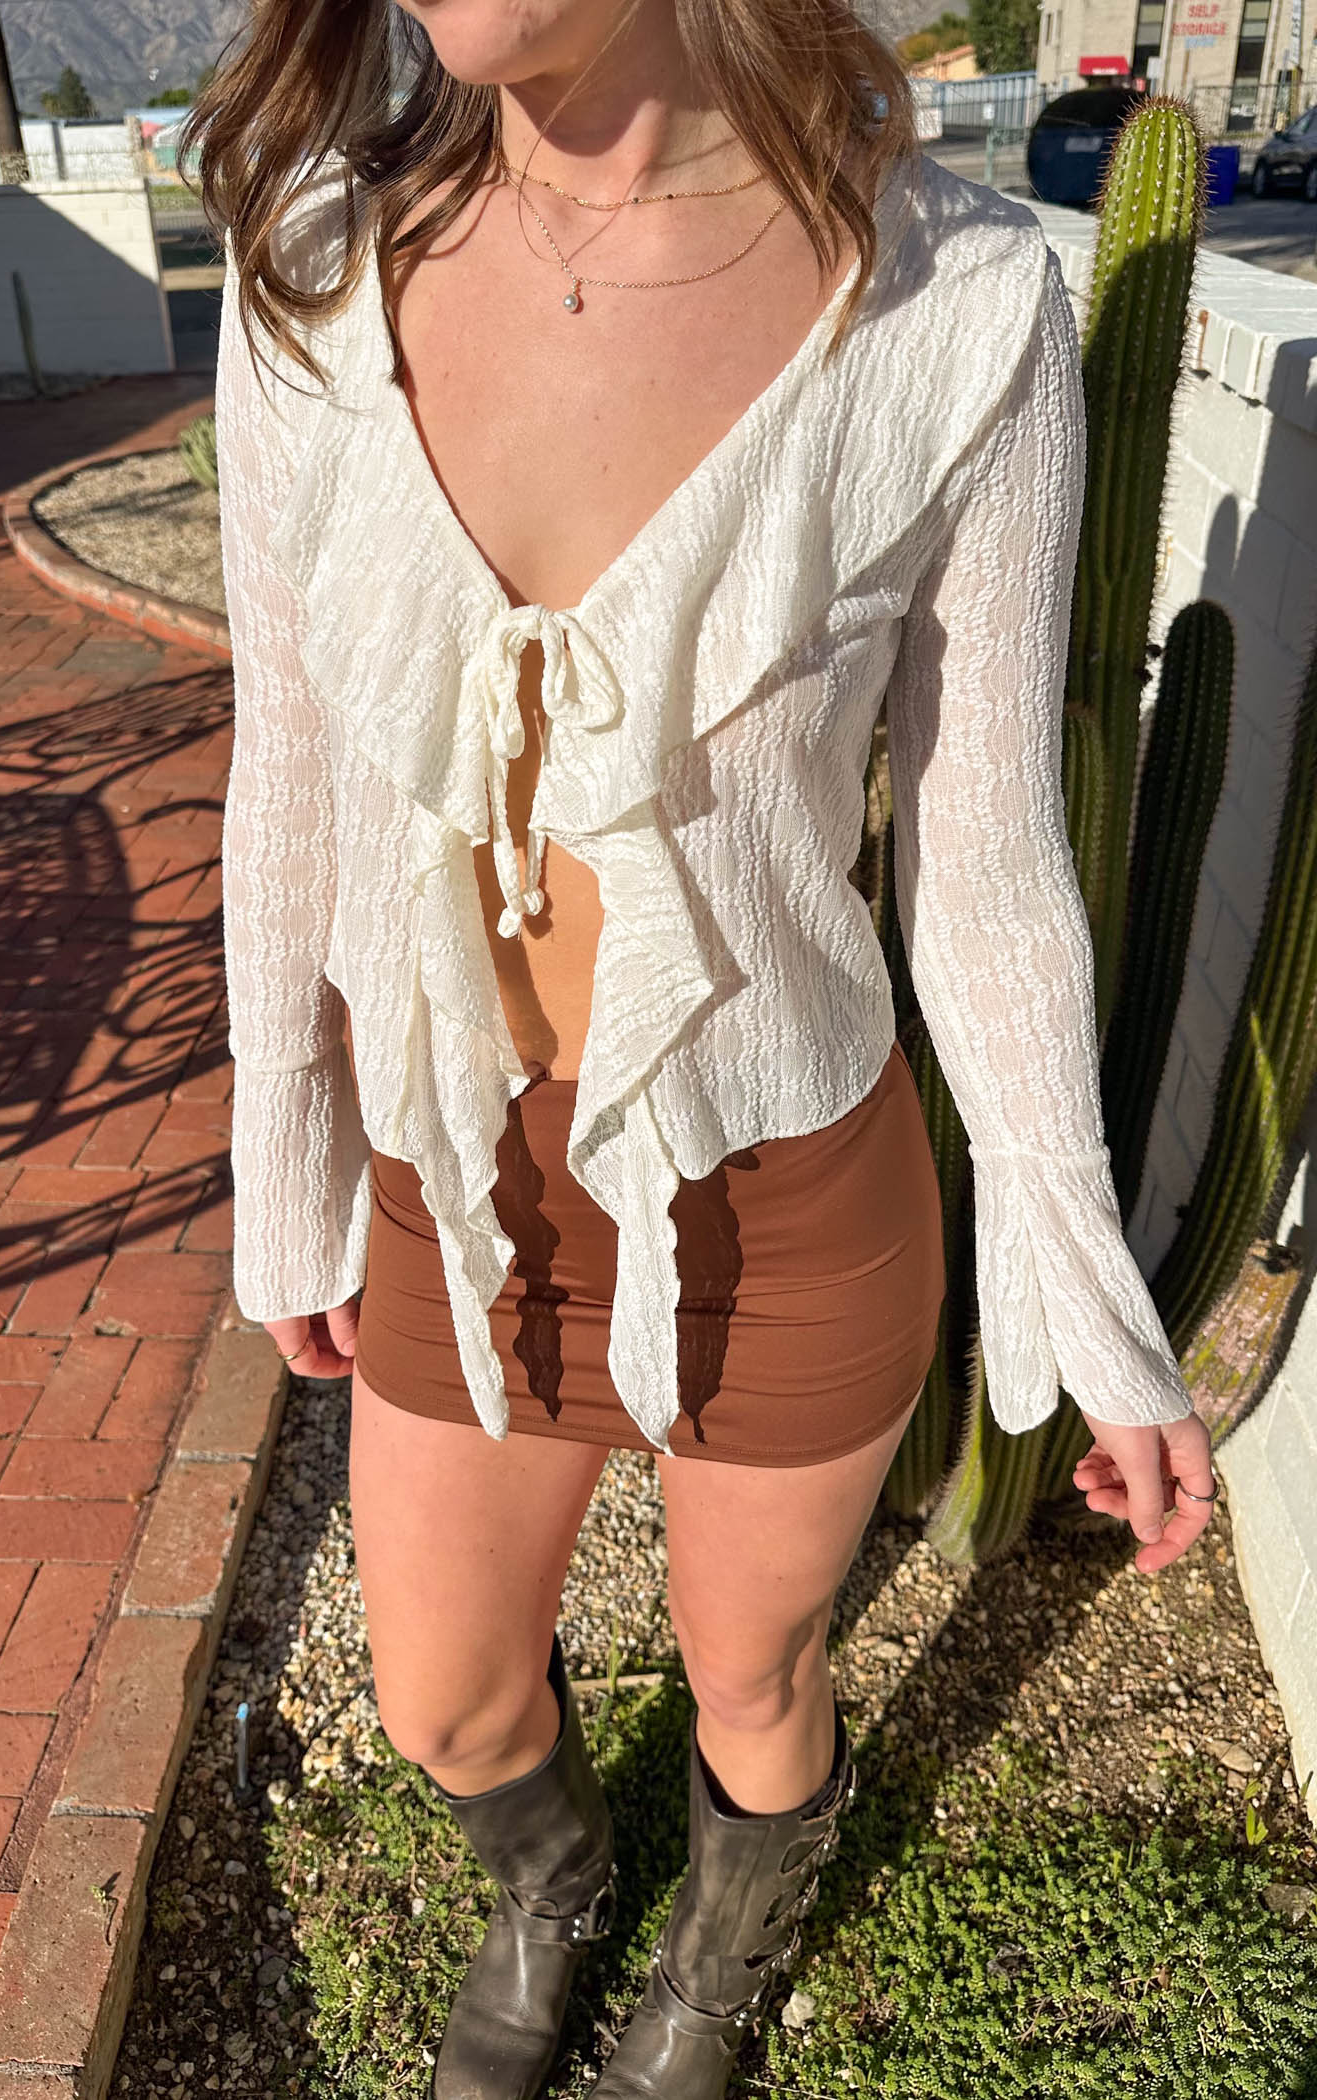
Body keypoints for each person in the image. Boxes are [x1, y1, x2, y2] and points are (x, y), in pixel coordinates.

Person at [188, 2, 1220, 2093]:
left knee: (754, 1677)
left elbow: (989, 862)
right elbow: (282, 769)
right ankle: (557, 1882)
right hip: (463, 1185)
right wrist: (289, 1167)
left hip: (787, 1179)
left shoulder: (955, 300)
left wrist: (1091, 1312)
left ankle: (724, 1956)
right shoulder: (307, 259)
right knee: (443, 1698)